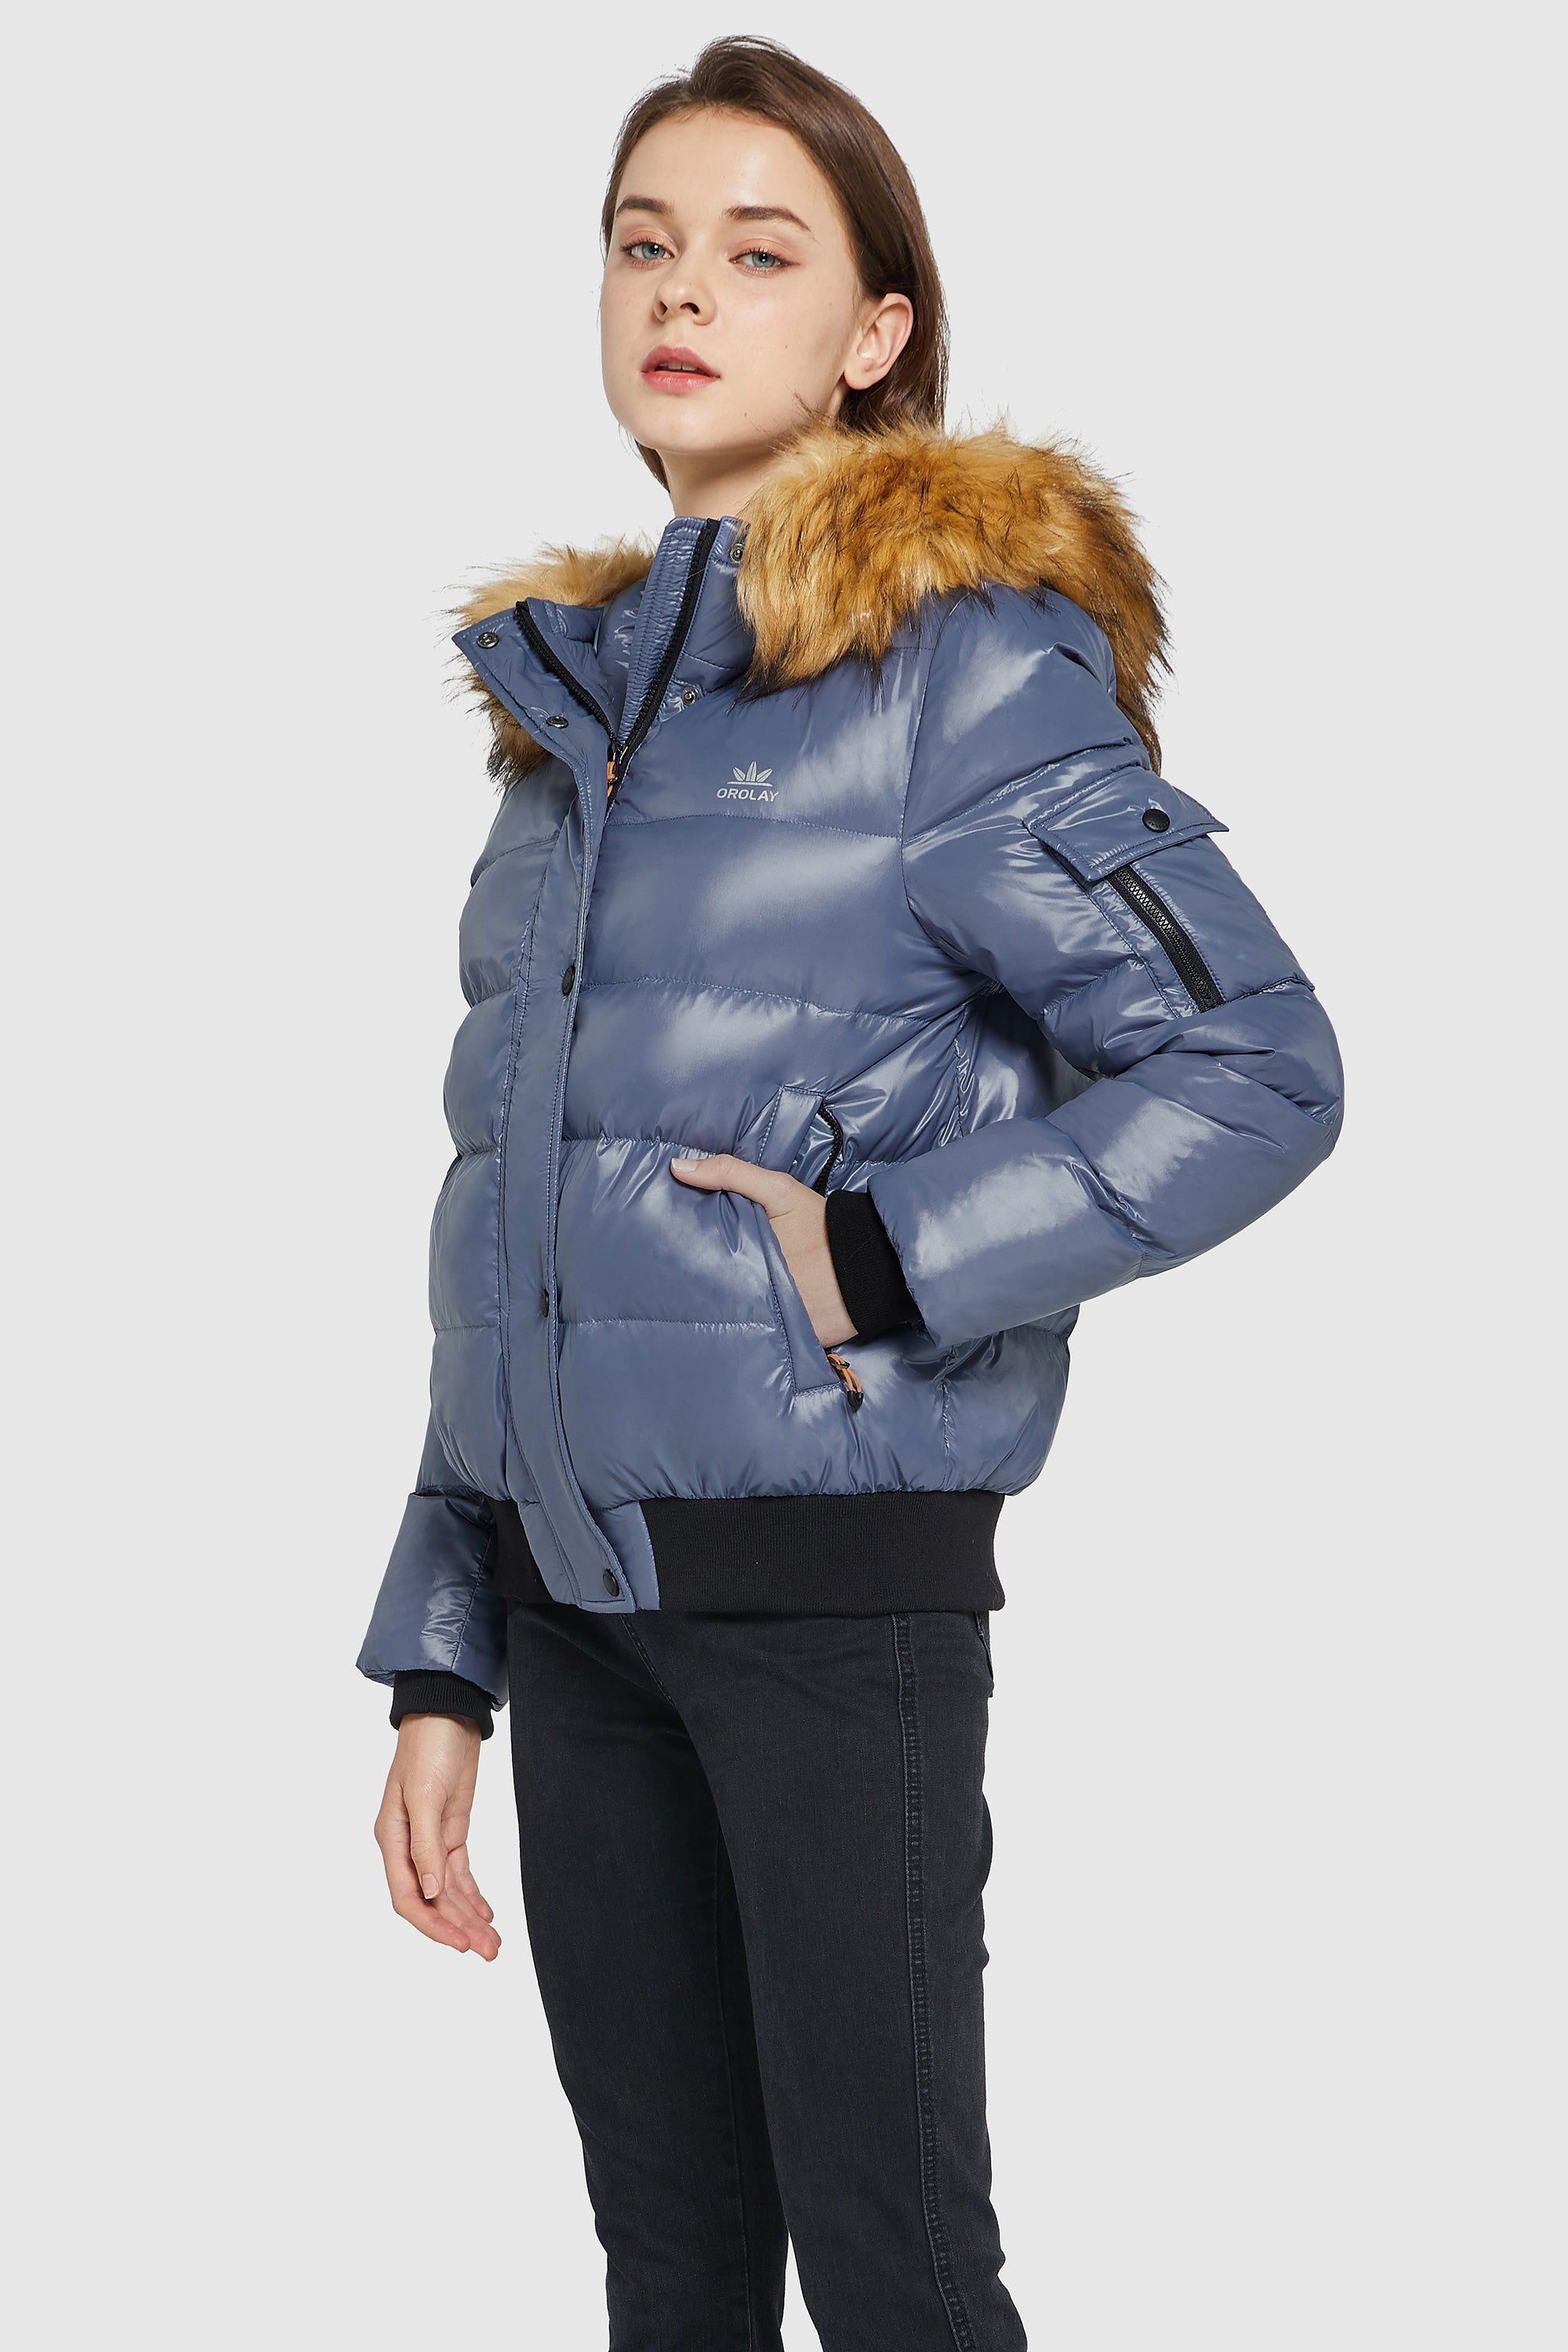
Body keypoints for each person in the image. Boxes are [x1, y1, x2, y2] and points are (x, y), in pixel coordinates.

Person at [358, 34, 1344, 2350]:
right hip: (576, 1613)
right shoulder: (579, 723)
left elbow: (1259, 1066)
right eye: (644, 243)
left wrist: (889, 1254)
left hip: (830, 1611)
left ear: (875, 332)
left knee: (899, 2278)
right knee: (675, 2274)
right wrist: (445, 1647)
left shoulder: (962, 672)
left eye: (757, 251)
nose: (681, 292)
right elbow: (526, 1219)